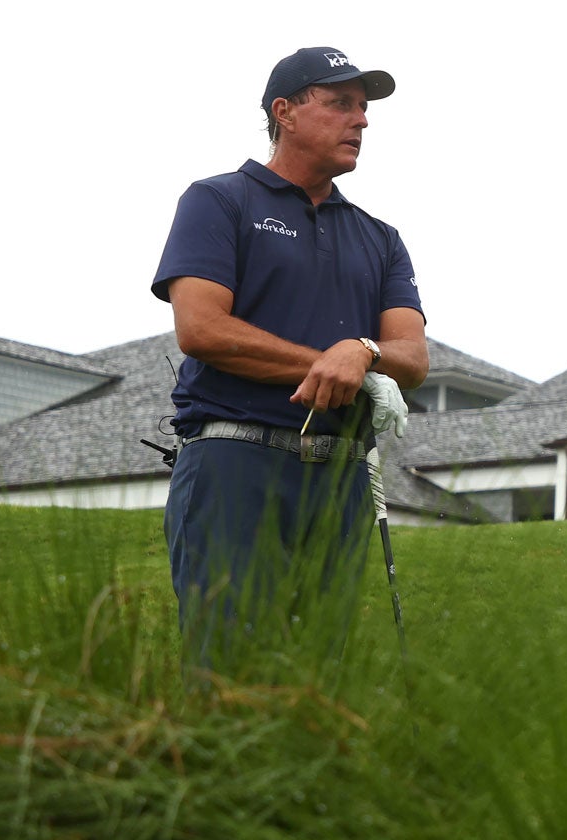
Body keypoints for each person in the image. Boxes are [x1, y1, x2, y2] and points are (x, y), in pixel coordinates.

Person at [151, 47, 428, 679]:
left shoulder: (380, 238)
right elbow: (202, 329)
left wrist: (364, 352)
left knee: (315, 678)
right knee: (227, 672)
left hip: (339, 480)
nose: (360, 121)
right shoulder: (218, 201)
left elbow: (411, 357)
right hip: (234, 463)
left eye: (363, 109)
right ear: (285, 112)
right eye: (339, 104)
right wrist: (334, 363)